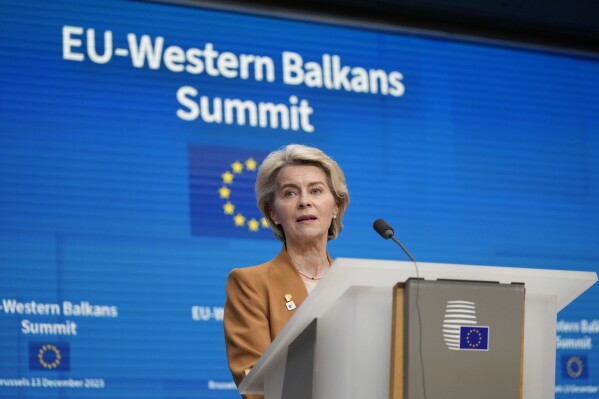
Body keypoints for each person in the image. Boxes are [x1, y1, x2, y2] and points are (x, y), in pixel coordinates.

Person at [223, 144, 350, 398]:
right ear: (274, 213)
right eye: (290, 193)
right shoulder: (250, 283)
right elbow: (256, 383)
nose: (305, 202)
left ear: (335, 206)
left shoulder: (355, 286)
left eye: (316, 190)